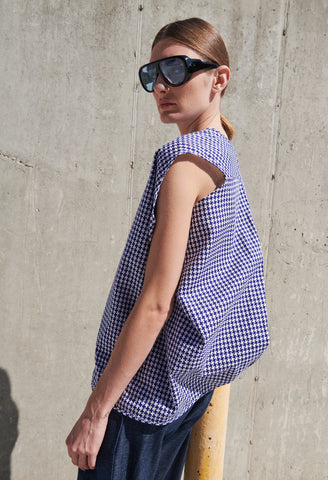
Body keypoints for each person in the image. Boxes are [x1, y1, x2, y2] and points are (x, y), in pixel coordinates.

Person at [66, 17, 269, 480]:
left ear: (219, 78)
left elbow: (157, 302)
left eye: (176, 69)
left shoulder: (182, 168)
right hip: (184, 390)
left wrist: (96, 412)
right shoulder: (224, 155)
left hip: (139, 400)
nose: (161, 85)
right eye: (151, 74)